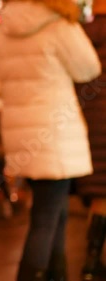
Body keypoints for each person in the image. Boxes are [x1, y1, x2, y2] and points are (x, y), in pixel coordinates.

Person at [0, 0, 101, 280]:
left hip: (21, 137)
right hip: (55, 135)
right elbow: (89, 68)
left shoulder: (2, 31)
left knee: (55, 213)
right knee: (45, 220)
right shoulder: (59, 25)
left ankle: (57, 275)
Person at [75, 1, 106, 280]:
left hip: (88, 127)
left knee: (98, 197)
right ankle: (95, 259)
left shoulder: (80, 33)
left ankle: (92, 257)